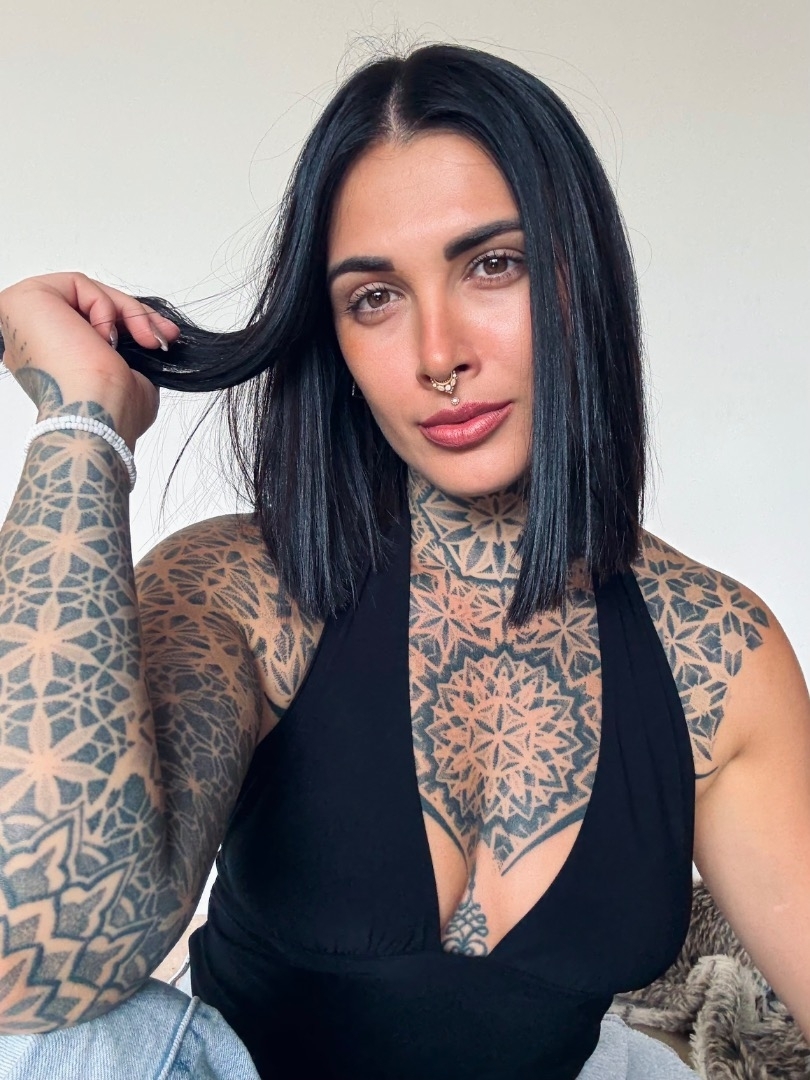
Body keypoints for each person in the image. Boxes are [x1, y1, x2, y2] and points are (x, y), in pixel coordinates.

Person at [0, 42, 807, 1080]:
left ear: (582, 282)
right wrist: (83, 426)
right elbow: (32, 966)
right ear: (333, 337)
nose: (438, 354)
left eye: (493, 265)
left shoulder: (717, 655)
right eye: (374, 297)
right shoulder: (246, 590)